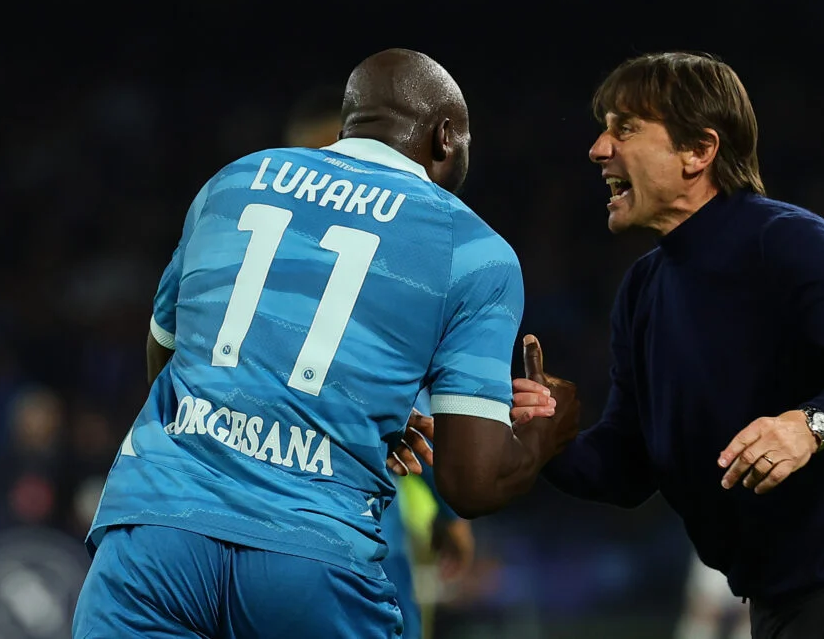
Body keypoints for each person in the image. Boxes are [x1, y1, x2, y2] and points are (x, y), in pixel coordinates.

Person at [72, 48, 574, 639]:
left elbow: (167, 358)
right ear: (445, 137)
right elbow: (472, 482)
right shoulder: (472, 248)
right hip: (311, 556)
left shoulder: (233, 182)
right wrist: (548, 433)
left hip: (153, 537)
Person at [509, 51, 824, 638]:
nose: (598, 148)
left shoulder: (785, 240)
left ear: (699, 150)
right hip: (780, 603)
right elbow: (627, 469)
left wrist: (808, 426)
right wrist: (548, 443)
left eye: (625, 129)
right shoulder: (642, 289)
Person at [285, 83, 478, 639]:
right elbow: (413, 405)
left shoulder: (256, 260)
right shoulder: (384, 267)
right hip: (358, 524)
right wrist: (450, 510)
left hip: (258, 520)